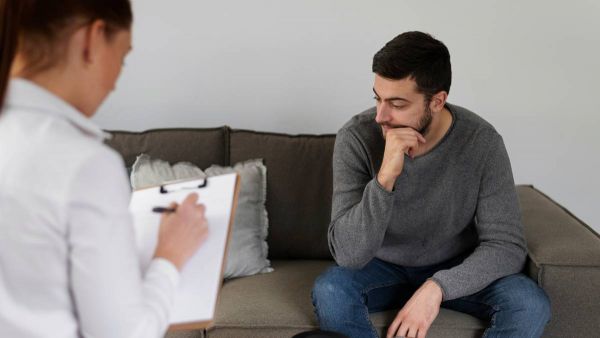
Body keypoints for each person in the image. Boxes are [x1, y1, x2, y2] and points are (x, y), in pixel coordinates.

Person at [311, 31, 551, 338]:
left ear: (437, 101)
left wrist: (438, 287)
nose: (380, 116)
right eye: (377, 98)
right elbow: (348, 255)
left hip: (454, 265)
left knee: (529, 303)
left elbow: (507, 246)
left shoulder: (482, 143)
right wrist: (385, 179)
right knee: (330, 290)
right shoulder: (356, 138)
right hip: (380, 266)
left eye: (397, 103)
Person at [0, 1, 208, 337]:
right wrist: (171, 254)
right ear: (93, 39)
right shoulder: (83, 165)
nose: (115, 82)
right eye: (123, 57)